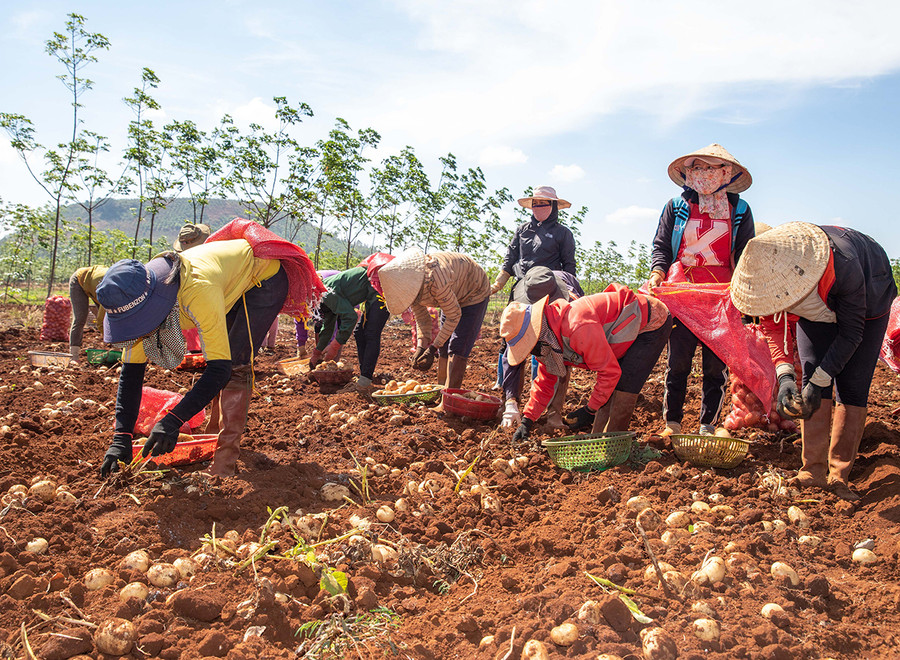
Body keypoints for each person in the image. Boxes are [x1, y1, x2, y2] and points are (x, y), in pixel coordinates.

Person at [97, 221, 323, 478]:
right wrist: (121, 438)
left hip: (262, 277)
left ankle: (225, 458)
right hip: (226, 282)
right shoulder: (136, 298)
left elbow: (220, 369)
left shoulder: (196, 289)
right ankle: (214, 430)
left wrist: (174, 419)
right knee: (220, 351)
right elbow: (131, 375)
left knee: (236, 361)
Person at [730, 222, 896, 501]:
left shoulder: (843, 265)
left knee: (852, 386)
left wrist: (823, 377)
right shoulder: (768, 282)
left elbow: (852, 334)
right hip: (815, 311)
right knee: (809, 376)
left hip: (866, 305)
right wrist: (784, 376)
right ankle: (812, 471)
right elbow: (774, 327)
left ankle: (839, 476)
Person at [648, 144, 755, 435]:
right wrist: (658, 271)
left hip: (721, 295)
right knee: (678, 361)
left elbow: (745, 253)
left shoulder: (740, 210)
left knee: (715, 366)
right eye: (697, 168)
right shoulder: (676, 206)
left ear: (727, 174)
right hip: (682, 291)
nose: (704, 174)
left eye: (712, 168)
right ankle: (673, 422)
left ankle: (709, 424)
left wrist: (745, 292)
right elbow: (661, 245)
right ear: (688, 174)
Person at [500, 284, 671, 441]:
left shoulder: (576, 327)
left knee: (624, 385)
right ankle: (601, 443)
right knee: (607, 393)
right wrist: (527, 420)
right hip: (620, 335)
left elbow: (609, 371)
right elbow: (545, 383)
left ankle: (616, 448)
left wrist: (589, 410)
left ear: (536, 334)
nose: (531, 352)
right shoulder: (548, 341)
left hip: (650, 320)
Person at [489, 186, 581, 390]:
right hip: (522, 288)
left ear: (553, 206)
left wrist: (569, 290)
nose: (538, 207)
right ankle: (502, 381)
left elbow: (569, 265)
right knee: (510, 334)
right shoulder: (522, 230)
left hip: (547, 290)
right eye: (535, 203)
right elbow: (510, 257)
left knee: (542, 338)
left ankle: (536, 383)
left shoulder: (563, 233)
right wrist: (498, 282)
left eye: (543, 203)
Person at [379, 249, 490, 389]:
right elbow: (422, 318)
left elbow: (454, 315)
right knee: (444, 344)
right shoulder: (411, 288)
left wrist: (432, 349)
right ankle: (441, 390)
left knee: (457, 346)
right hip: (453, 291)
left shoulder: (436, 280)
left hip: (474, 291)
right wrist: (421, 345)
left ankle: (449, 398)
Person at [500, 267, 579, 429]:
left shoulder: (571, 308)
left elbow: (562, 363)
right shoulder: (520, 309)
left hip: (561, 319)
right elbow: (512, 354)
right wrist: (510, 400)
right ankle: (512, 403)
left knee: (562, 361)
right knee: (520, 348)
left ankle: (554, 414)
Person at [309, 253, 395, 394]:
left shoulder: (325, 294)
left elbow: (350, 317)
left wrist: (335, 346)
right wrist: (316, 353)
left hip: (380, 286)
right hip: (371, 290)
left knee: (371, 332)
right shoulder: (322, 301)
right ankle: (364, 377)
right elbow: (327, 327)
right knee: (359, 333)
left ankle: (365, 381)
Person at [68, 265, 108, 362]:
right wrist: (113, 340)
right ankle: (74, 355)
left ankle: (117, 349)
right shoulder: (111, 291)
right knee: (80, 318)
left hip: (95, 285)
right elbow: (100, 321)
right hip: (80, 280)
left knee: (110, 318)